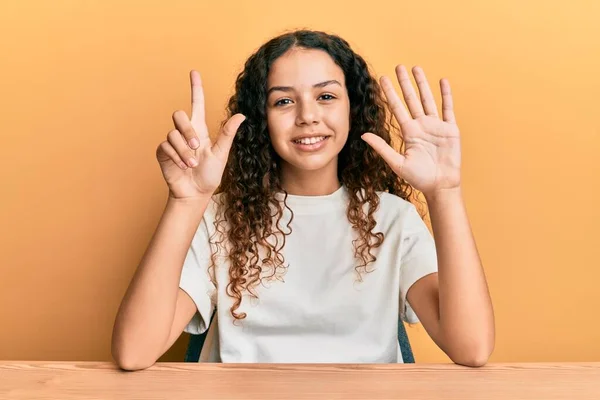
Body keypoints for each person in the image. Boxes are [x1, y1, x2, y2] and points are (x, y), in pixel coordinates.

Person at [111, 29, 495, 370]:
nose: (308, 116)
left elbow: (472, 348)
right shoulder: (217, 218)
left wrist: (444, 193)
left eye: (326, 95)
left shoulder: (393, 219)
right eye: (283, 102)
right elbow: (133, 353)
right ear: (260, 118)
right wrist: (185, 202)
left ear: (352, 109)